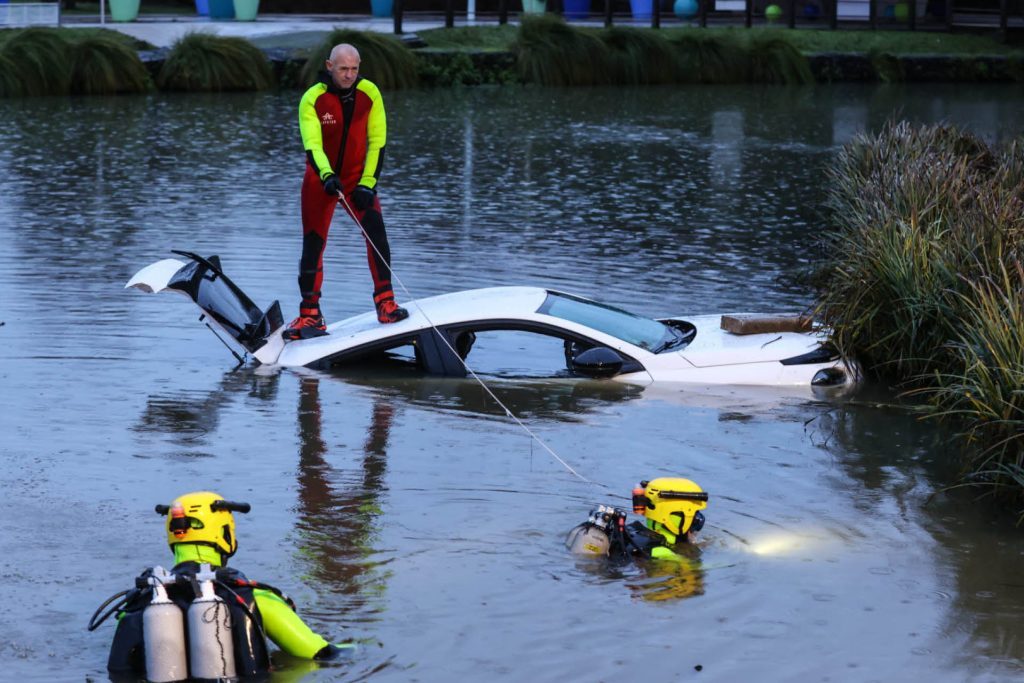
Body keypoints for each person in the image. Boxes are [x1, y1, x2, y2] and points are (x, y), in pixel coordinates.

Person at [95, 491, 350, 680]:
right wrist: (365, 645)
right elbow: (317, 653)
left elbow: (120, 669)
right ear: (225, 534)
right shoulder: (250, 595)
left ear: (172, 536)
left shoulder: (143, 599)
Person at [284, 42, 408, 341]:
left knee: (376, 233)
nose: (349, 75)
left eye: (354, 69)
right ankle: (310, 315)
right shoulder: (312, 99)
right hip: (320, 181)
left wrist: (368, 183)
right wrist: (327, 176)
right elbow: (312, 145)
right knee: (313, 244)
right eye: (343, 69)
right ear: (329, 66)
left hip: (356, 181)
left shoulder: (370, 93)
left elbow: (378, 141)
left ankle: (385, 304)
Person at [565, 477, 708, 561]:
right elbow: (698, 567)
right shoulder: (662, 552)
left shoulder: (632, 529)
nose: (696, 525)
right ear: (677, 517)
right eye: (695, 518)